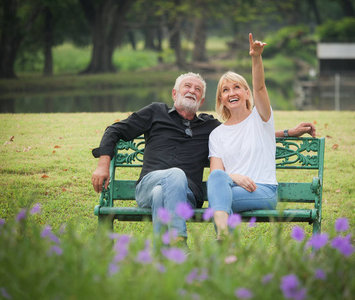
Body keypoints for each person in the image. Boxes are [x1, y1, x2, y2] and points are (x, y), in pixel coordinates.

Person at [92, 71, 315, 249]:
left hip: (187, 196)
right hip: (148, 186)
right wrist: (103, 165)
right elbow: (115, 130)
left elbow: (246, 130)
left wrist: (286, 132)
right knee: (172, 177)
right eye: (187, 87)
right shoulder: (154, 113)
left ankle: (164, 256)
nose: (192, 91)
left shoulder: (210, 128)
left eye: (197, 89)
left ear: (203, 99)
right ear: (174, 93)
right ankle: (179, 243)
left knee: (165, 192)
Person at [207, 33, 289, 240]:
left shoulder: (261, 119)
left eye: (237, 87)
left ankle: (225, 244)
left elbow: (260, 87)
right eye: (225, 90)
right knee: (219, 185)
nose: (231, 92)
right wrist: (235, 177)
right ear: (221, 99)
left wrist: (256, 57)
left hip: (263, 190)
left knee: (219, 203)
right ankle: (226, 243)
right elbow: (217, 174)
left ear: (246, 93)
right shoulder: (217, 134)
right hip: (233, 189)